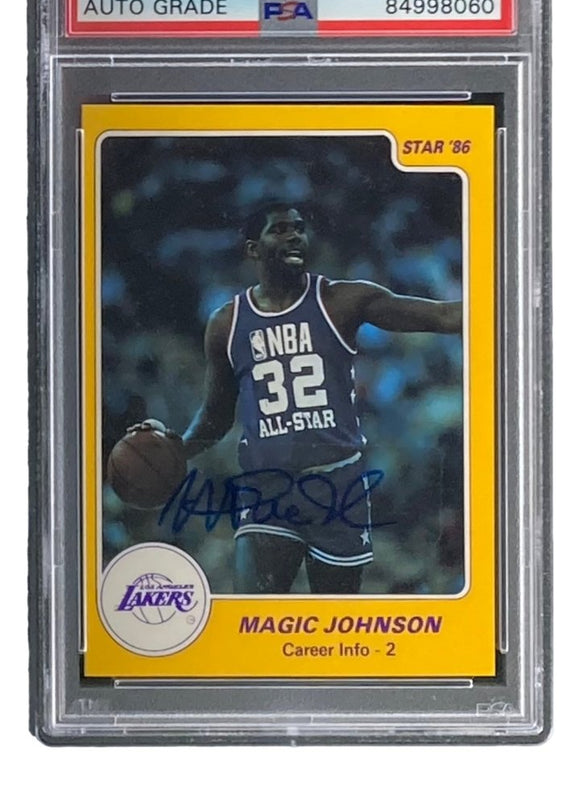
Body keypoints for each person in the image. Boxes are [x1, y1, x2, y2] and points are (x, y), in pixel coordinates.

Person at [149, 201, 461, 594]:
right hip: (267, 489)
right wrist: (174, 448)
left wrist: (510, 299)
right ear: (253, 249)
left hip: (337, 486)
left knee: (334, 620)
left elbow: (443, 316)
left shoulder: (341, 300)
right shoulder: (227, 323)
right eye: (280, 230)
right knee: (255, 616)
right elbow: (216, 416)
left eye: (299, 228)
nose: (295, 236)